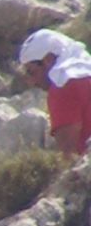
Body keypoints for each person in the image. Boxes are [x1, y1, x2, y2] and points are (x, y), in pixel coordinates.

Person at [19, 28, 91, 161]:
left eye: (31, 72)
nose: (31, 82)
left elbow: (69, 156)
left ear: (48, 60)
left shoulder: (63, 85)